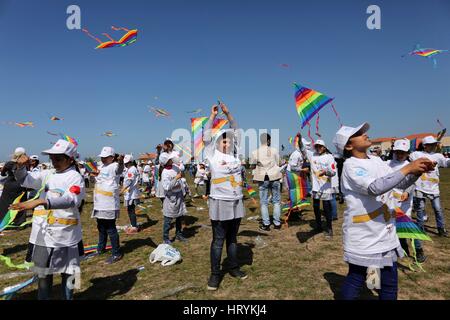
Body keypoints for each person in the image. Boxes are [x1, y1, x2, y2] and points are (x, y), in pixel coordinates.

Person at [333, 123, 433, 300]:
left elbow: (397, 183)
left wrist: (416, 172)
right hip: (364, 234)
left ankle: (373, 290)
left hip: (384, 232)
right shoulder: (350, 166)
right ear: (349, 146)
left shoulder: (376, 160)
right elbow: (375, 188)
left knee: (388, 283)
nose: (365, 134)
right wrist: (408, 168)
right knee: (356, 278)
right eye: (358, 133)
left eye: (363, 131)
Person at [11, 139, 85, 300]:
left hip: (66, 237)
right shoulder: (48, 174)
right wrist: (20, 166)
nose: (54, 162)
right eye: (52, 158)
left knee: (70, 274)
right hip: (43, 237)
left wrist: (42, 201)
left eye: (58, 158)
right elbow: (25, 180)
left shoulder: (75, 177)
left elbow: (72, 199)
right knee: (43, 278)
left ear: (70, 159)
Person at [203, 103, 247, 291]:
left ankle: (234, 267)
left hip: (236, 201)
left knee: (233, 238)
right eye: (223, 140)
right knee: (218, 240)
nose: (227, 143)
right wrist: (212, 116)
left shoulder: (236, 156)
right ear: (218, 143)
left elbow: (236, 130)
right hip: (220, 202)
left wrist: (228, 113)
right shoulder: (212, 155)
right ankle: (215, 274)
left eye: (229, 141)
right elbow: (206, 136)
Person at [387, 139, 425, 262]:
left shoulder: (411, 165)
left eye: (402, 152)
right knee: (394, 225)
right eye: (397, 152)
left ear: (408, 153)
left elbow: (413, 182)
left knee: (408, 225)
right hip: (391, 199)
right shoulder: (387, 164)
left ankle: (418, 250)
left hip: (404, 200)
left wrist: (407, 192)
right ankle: (401, 247)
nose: (400, 155)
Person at [410, 135, 450, 238]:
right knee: (420, 209)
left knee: (438, 209)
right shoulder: (417, 154)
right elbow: (409, 156)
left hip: (434, 188)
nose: (433, 146)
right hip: (420, 187)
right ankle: (420, 228)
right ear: (424, 146)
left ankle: (441, 229)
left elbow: (446, 163)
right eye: (430, 145)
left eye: (434, 144)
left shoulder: (439, 156)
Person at [91, 147, 125, 264]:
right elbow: (94, 180)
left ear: (112, 157)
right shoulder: (100, 167)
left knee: (111, 228)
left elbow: (120, 170)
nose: (103, 159)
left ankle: (116, 253)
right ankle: (100, 249)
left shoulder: (114, 166)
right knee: (101, 228)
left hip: (109, 203)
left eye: (106, 157)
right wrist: (93, 175)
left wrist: (121, 161)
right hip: (99, 203)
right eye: (102, 157)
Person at [299, 138, 336, 238]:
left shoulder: (329, 157)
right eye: (316, 146)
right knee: (315, 207)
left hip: (326, 187)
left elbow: (333, 172)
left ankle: (329, 228)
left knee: (326, 208)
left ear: (324, 147)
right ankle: (319, 226)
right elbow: (303, 150)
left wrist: (325, 172)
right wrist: (299, 141)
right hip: (315, 188)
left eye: (320, 146)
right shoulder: (313, 155)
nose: (318, 148)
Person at [250, 133, 282, 231]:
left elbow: (251, 166)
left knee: (264, 202)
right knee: (276, 201)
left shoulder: (255, 152)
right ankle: (277, 223)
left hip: (263, 178)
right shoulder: (274, 150)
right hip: (274, 176)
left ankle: (266, 223)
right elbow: (279, 163)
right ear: (269, 140)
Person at [160, 152, 188, 244]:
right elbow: (167, 187)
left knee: (179, 216)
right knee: (168, 219)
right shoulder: (165, 172)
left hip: (179, 195)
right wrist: (176, 178)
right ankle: (166, 238)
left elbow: (182, 170)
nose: (171, 160)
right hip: (171, 197)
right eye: (169, 159)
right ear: (166, 162)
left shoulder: (175, 167)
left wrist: (180, 161)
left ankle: (179, 234)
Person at [121, 155, 141, 233]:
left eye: (127, 163)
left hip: (131, 193)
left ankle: (134, 226)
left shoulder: (132, 170)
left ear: (131, 162)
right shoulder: (130, 169)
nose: (125, 164)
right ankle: (133, 225)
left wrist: (122, 190)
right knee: (130, 210)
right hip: (130, 192)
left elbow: (129, 181)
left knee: (131, 210)